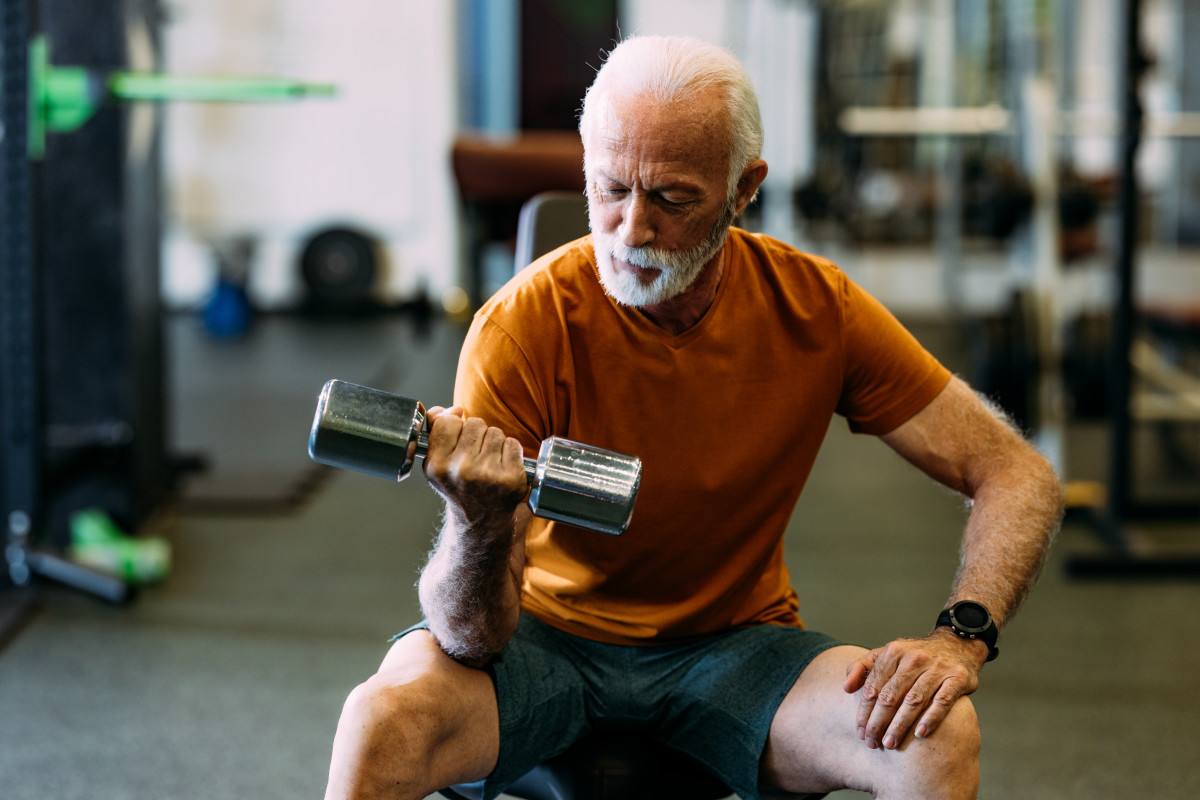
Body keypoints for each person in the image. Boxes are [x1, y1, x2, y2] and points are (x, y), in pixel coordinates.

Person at [324, 35, 1062, 800]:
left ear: (744, 190)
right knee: (381, 722)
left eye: (672, 199)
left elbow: (1017, 472)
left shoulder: (816, 308)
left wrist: (960, 639)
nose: (631, 229)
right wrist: (478, 522)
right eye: (610, 189)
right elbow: (472, 637)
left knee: (935, 737)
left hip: (736, 649)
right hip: (542, 640)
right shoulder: (523, 325)